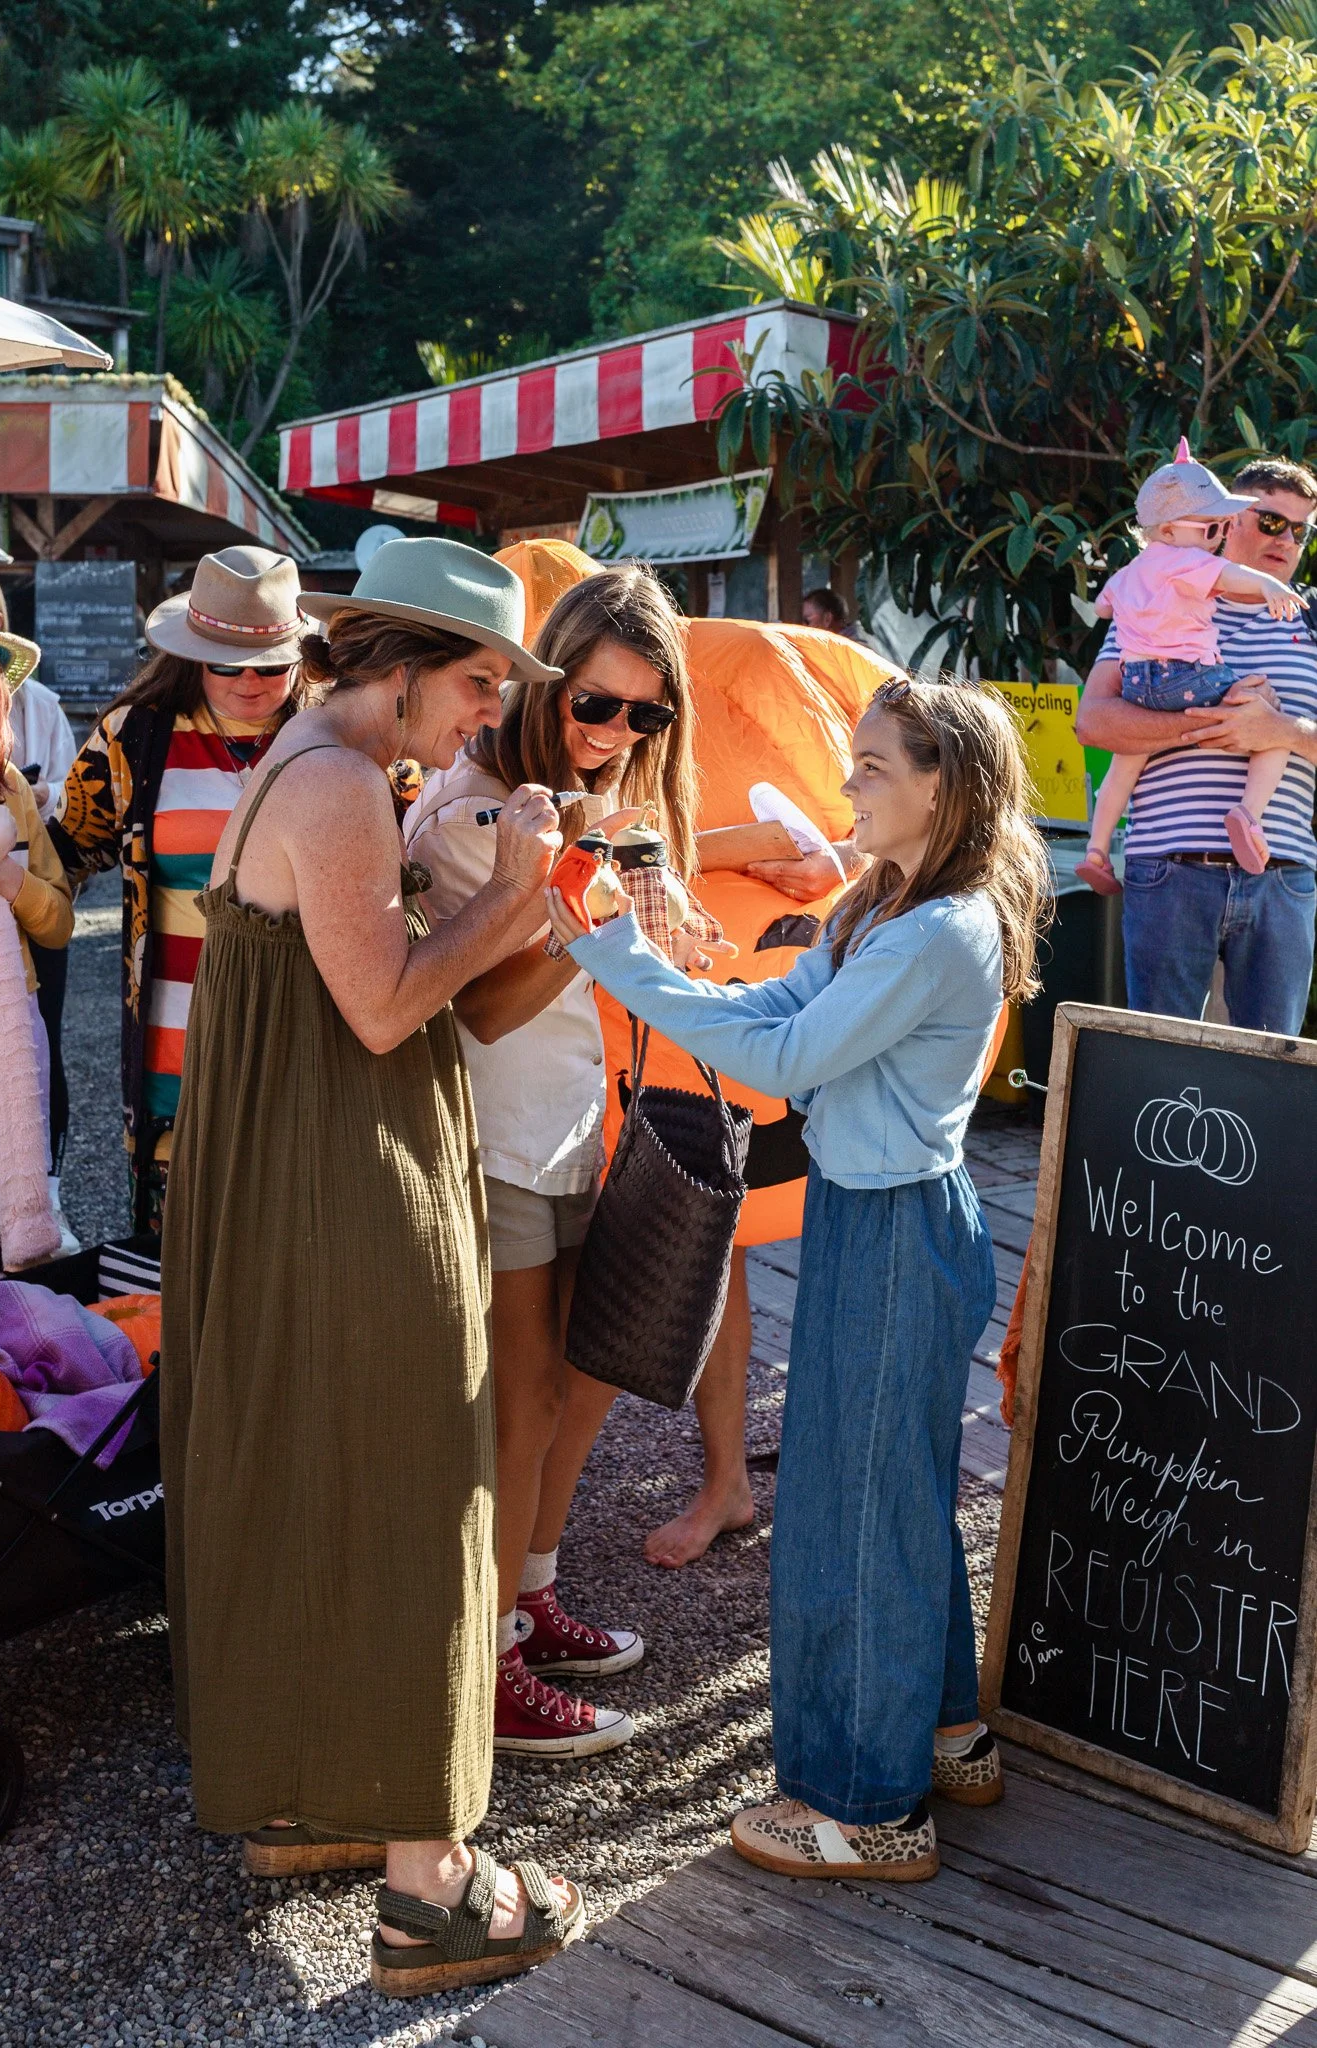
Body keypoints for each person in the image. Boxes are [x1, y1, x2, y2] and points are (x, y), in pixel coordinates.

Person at [161, 537, 583, 1995]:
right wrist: (517, 894)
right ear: (399, 668)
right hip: (341, 1182)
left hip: (299, 1170)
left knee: (301, 1470)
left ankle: (301, 1797)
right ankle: (431, 1887)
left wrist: (536, 914)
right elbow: (394, 1007)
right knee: (417, 1485)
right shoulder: (340, 786)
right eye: (476, 684)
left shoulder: (316, 764)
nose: (487, 714)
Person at [548, 676, 1049, 1880]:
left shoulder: (935, 925)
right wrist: (663, 954)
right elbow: (775, 1003)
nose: (845, 785)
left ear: (943, 783)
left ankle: (866, 1803)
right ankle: (944, 1733)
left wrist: (612, 951)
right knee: (897, 1492)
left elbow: (786, 1053)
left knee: (849, 1511)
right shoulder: (890, 899)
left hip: (888, 1227)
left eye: (872, 764)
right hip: (889, 1216)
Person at [405, 563, 703, 1755]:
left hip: (574, 1126)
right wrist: (604, 934)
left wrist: (655, 920)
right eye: (596, 705)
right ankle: (487, 1664)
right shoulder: (469, 808)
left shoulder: (589, 800)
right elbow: (474, 1011)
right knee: (516, 1405)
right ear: (540, 685)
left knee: (576, 1384)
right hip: (491, 1137)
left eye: (646, 714)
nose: (617, 733)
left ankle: (528, 1595)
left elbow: (624, 943)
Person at [51, 547, 306, 1234]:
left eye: (272, 664)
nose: (250, 682)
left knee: (290, 1263)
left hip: (304, 1051)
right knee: (180, 1268)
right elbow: (66, 853)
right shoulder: (134, 736)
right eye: (226, 663)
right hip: (173, 1054)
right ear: (192, 653)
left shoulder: (341, 736)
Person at [1077, 455, 1317, 1034]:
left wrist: (1281, 733)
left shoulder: (1311, 618)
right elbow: (1093, 722)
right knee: (1163, 1074)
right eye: (1270, 522)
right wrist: (1213, 726)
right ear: (1227, 520)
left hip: (1281, 874)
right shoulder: (1158, 595)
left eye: (1302, 529)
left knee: (1269, 1081)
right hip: (1168, 869)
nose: (1287, 540)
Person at [0, 562, 79, 1242]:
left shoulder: (9, 791)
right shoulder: (3, 810)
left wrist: (9, 878)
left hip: (9, 1029)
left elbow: (59, 925)